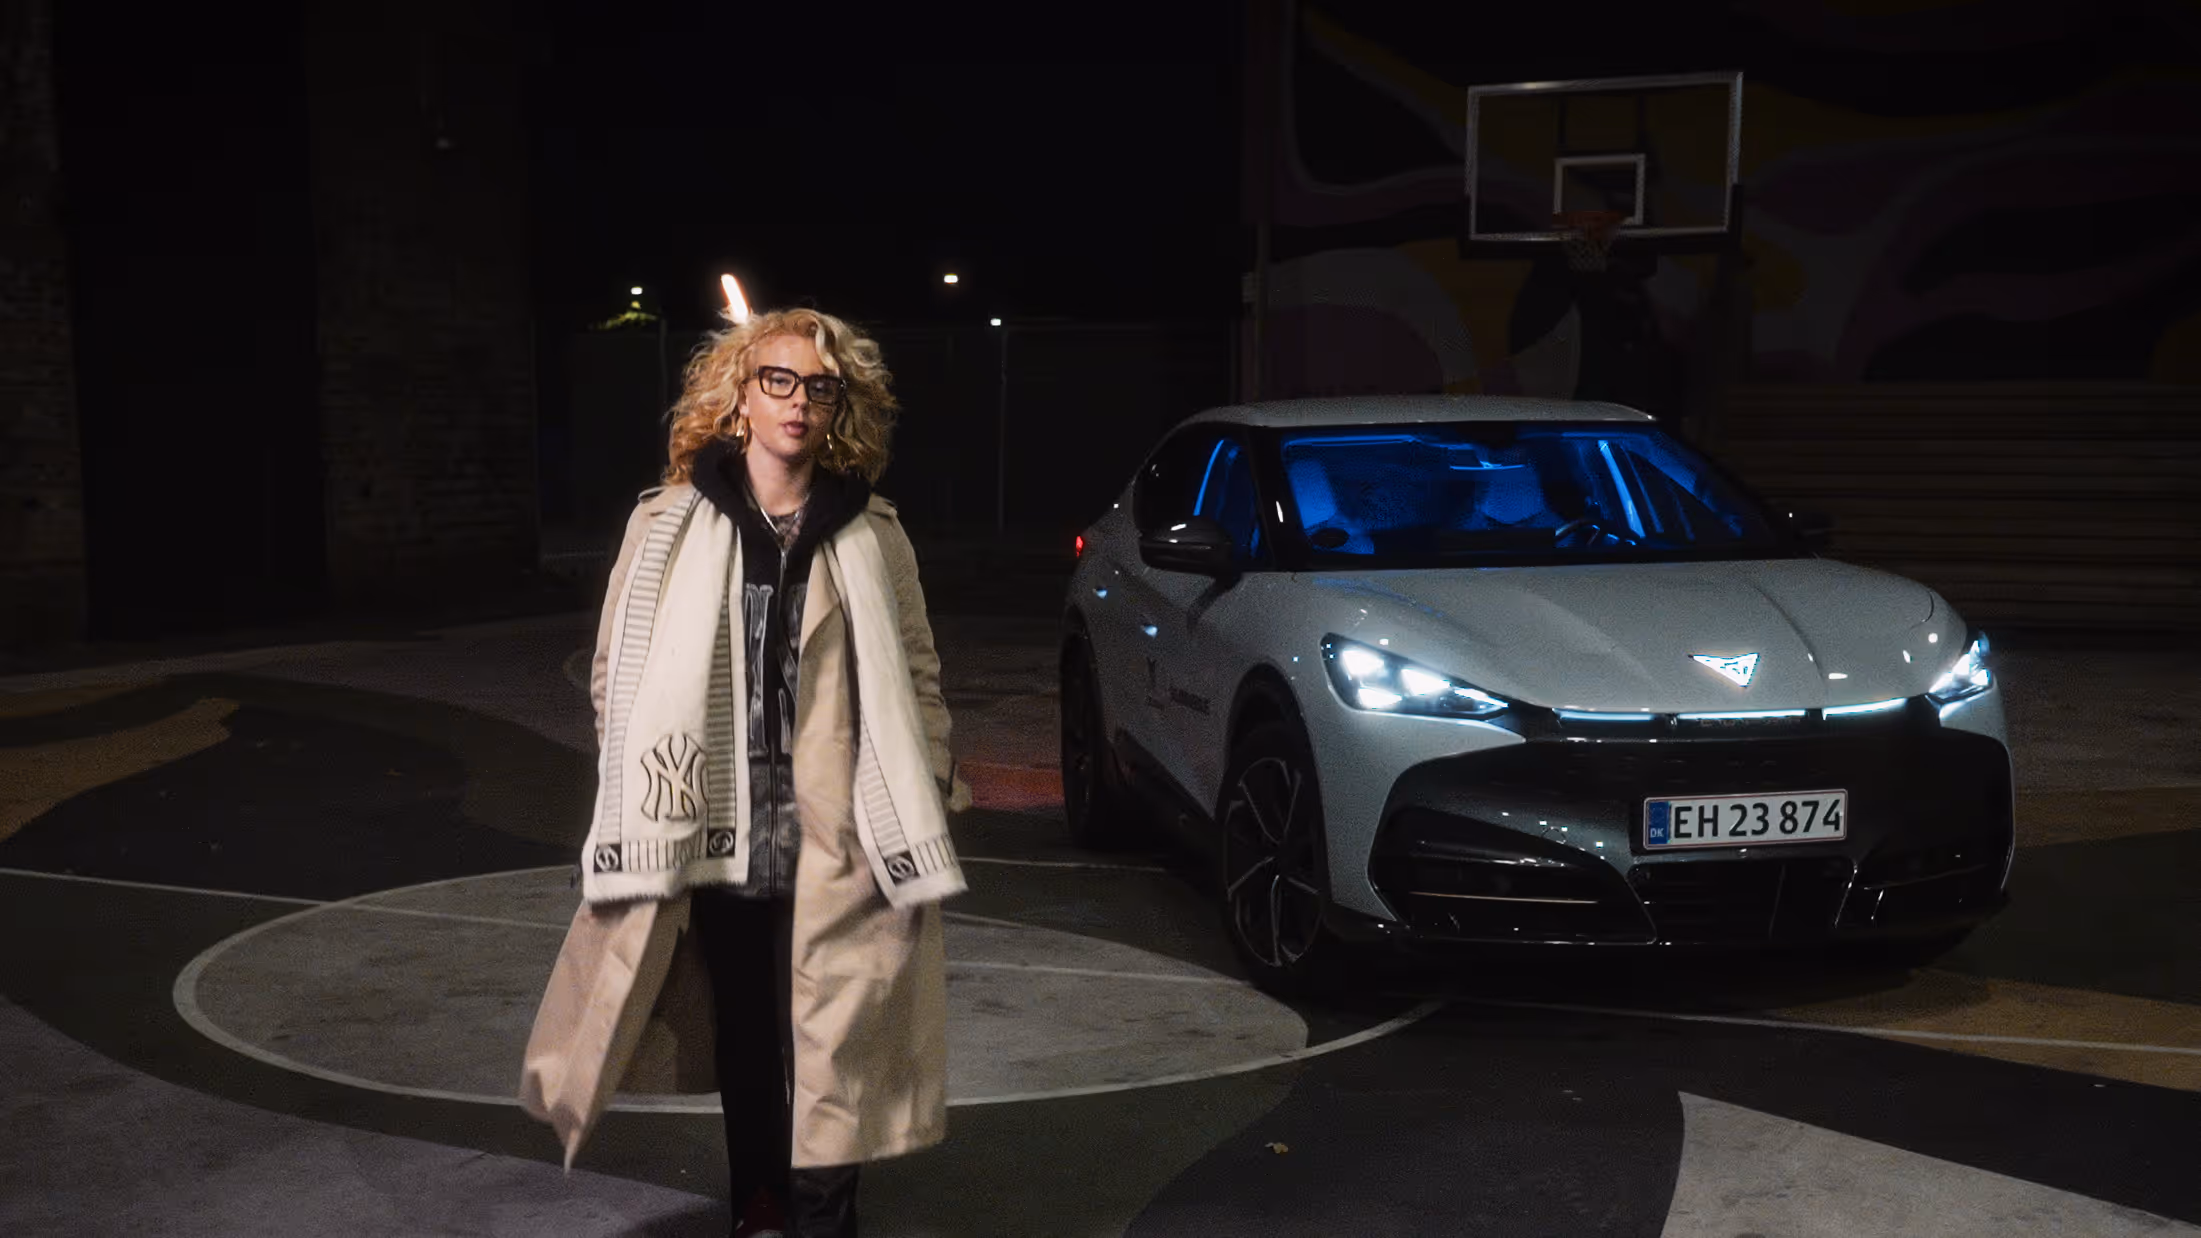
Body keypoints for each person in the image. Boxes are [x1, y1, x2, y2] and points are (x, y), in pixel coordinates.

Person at [521, 304, 970, 1238]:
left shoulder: (871, 531)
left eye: (818, 385)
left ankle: (820, 1216)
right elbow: (619, 670)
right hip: (713, 825)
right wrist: (642, 783)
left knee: (833, 1043)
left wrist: (922, 783)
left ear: (838, 405)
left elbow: (918, 674)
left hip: (839, 831)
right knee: (750, 1040)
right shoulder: (668, 525)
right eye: (778, 380)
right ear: (738, 397)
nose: (797, 402)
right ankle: (757, 1198)